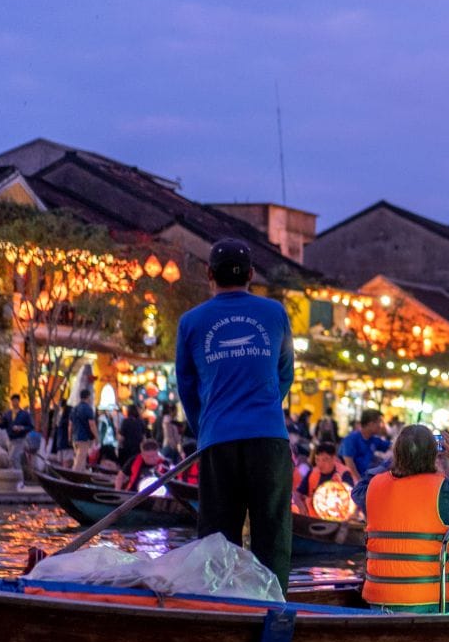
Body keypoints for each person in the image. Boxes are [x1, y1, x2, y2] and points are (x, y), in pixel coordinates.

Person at [174, 238, 295, 581]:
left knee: (216, 538)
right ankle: (274, 610)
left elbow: (187, 386)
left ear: (209, 274)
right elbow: (285, 373)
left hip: (218, 439)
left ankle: (219, 609)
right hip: (268, 439)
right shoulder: (275, 313)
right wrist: (267, 406)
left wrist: (206, 428)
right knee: (272, 535)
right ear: (251, 274)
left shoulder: (191, 321)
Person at [361, 426, 449, 610]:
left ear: (396, 453)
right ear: (433, 456)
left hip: (378, 600)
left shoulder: (372, 487)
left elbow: (360, 486)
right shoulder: (441, 490)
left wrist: (398, 457)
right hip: (428, 602)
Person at [295, 441, 357, 516]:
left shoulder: (344, 474)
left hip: (335, 516)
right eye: (317, 460)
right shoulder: (313, 472)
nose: (320, 464)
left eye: (325, 460)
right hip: (311, 515)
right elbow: (298, 493)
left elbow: (350, 500)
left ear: (334, 458)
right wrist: (301, 506)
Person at [340, 409, 390, 478]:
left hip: (363, 480)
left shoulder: (374, 440)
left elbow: (392, 446)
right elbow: (349, 464)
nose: (380, 426)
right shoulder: (351, 439)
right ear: (370, 424)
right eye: (379, 422)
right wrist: (359, 483)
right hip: (349, 482)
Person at [69, 390, 97, 471]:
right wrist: (96, 437)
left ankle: (81, 478)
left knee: (80, 460)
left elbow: (70, 425)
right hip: (83, 439)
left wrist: (69, 437)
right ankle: (73, 479)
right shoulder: (88, 408)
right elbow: (92, 424)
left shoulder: (74, 409)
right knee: (80, 461)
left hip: (75, 438)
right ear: (88, 397)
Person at [118, 404, 146, 471]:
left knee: (127, 466)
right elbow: (144, 437)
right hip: (138, 448)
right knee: (136, 465)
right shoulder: (141, 421)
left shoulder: (126, 421)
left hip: (127, 448)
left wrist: (119, 445)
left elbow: (121, 437)